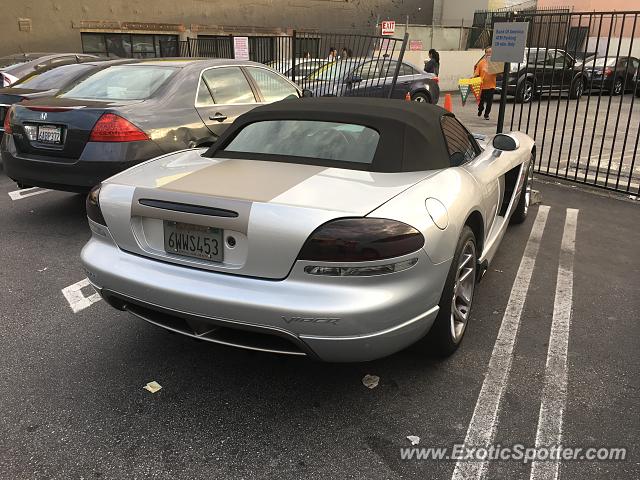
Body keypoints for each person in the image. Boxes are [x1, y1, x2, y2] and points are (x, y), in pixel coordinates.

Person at [474, 47, 497, 120]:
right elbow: (476, 74)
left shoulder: (495, 63)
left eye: (491, 52)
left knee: (489, 101)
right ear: (485, 54)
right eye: (488, 52)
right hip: (482, 86)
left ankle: (486, 114)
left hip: (491, 85)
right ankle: (480, 109)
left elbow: (499, 72)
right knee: (481, 101)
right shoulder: (481, 63)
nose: (489, 54)